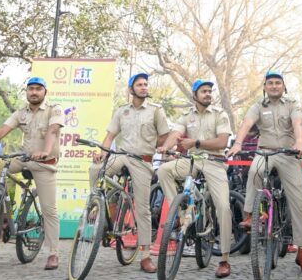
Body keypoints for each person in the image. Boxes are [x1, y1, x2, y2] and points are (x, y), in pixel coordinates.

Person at [0, 78, 63, 270]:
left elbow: (53, 130)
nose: (34, 92)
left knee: (49, 209)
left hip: (44, 163)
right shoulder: (21, 112)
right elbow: (3, 130)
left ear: (44, 92)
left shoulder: (54, 109)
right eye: (31, 89)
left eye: (38, 89)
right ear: (27, 91)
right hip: (24, 159)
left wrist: (46, 151)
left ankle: (53, 253)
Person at [226, 70, 302, 274]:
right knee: (255, 171)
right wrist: (238, 143)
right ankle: (250, 215)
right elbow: (246, 123)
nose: (274, 86)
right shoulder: (258, 105)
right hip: (265, 152)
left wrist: (300, 142)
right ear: (265, 86)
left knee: (298, 203)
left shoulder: (292, 103)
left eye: (278, 82)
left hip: (288, 153)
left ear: (284, 86)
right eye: (270, 83)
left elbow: (297, 123)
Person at [88, 73, 174, 273]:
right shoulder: (122, 111)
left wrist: (153, 147)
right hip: (121, 156)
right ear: (130, 89)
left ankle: (145, 256)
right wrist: (102, 152)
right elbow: (110, 136)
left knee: (142, 209)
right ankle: (96, 204)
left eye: (146, 84)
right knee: (95, 169)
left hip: (142, 161)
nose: (144, 87)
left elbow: (165, 136)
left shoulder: (156, 111)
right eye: (139, 85)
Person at [155, 79, 233, 277]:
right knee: (163, 171)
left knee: (223, 206)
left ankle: (224, 259)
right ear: (194, 95)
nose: (208, 94)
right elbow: (176, 134)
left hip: (214, 161)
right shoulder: (186, 115)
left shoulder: (219, 114)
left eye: (209, 91)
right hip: (191, 161)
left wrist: (196, 142)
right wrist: (167, 147)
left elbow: (222, 141)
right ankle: (181, 216)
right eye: (204, 91)